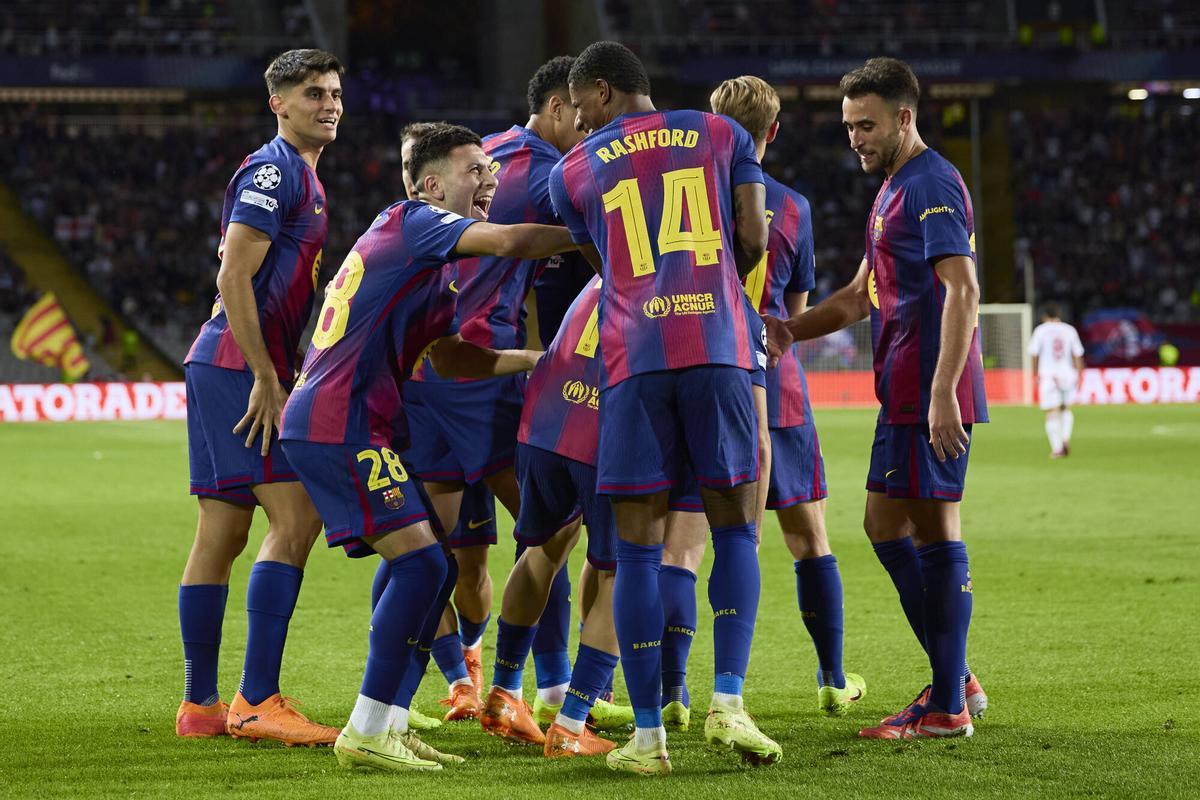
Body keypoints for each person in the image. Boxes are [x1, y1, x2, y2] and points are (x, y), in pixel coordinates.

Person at [278, 122, 576, 772]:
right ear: (432, 183)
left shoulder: (428, 269)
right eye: (476, 171)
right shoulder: (414, 221)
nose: (491, 180)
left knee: (432, 566)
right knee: (422, 566)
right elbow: (514, 241)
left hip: (349, 423)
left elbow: (455, 360)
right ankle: (368, 726)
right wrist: (598, 232)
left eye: (491, 172)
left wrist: (538, 358)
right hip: (339, 421)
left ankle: (386, 719)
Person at [550, 41, 779, 775]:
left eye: (582, 104)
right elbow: (753, 233)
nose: (578, 119)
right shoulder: (721, 135)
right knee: (735, 529)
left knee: (638, 550)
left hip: (636, 359)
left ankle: (648, 738)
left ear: (606, 92)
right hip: (717, 346)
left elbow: (606, 265)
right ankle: (729, 703)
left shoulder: (573, 169)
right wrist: (713, 284)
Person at [774, 57, 988, 740]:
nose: (855, 138)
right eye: (847, 126)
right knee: (880, 525)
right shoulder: (893, 188)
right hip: (901, 391)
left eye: (866, 124)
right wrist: (784, 329)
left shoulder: (930, 184)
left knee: (932, 533)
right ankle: (955, 677)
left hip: (927, 393)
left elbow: (963, 289)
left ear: (903, 117)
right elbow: (854, 298)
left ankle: (949, 707)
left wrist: (943, 394)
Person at [401, 57, 588, 730]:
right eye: (587, 117)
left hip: (426, 369)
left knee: (430, 545)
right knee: (553, 526)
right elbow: (521, 246)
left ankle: (452, 680)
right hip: (481, 374)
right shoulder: (551, 173)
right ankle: (543, 690)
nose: (593, 131)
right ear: (562, 108)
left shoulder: (484, 154)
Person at [177, 48, 344, 746]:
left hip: (225, 364)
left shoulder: (303, 175)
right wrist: (267, 375)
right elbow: (233, 277)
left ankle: (201, 707)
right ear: (277, 102)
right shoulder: (275, 170)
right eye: (313, 94)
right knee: (297, 518)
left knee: (223, 532)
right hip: (237, 368)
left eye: (335, 93)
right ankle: (256, 700)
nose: (329, 104)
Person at [711, 75, 867, 716]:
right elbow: (792, 317)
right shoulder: (794, 207)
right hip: (776, 381)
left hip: (704, 371)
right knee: (809, 536)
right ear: (773, 131)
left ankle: (675, 695)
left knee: (685, 542)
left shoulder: (686, 199)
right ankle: (832, 678)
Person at [395, 121, 500, 724]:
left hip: (479, 397)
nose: (487, 182)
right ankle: (457, 682)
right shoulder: (410, 233)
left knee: (471, 559)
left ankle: (473, 655)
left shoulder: (476, 226)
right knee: (421, 550)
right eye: (475, 171)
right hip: (423, 406)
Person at [1028, 302, 1084, 457]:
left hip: (1048, 375)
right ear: (1059, 315)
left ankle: (1057, 448)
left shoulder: (1040, 331)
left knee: (1051, 411)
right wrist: (1079, 374)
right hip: (1067, 374)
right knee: (1066, 408)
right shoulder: (1069, 330)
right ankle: (1065, 438)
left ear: (1045, 316)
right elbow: (1078, 354)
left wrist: (1035, 373)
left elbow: (1034, 354)